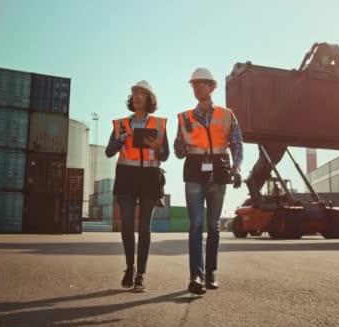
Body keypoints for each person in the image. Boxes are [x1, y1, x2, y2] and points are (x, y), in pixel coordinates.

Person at [174, 68, 244, 295]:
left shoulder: (226, 115)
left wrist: (236, 168)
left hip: (219, 170)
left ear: (212, 87)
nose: (197, 88)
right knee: (195, 225)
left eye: (201, 84)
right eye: (193, 85)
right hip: (194, 170)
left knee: (213, 226)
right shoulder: (185, 117)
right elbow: (178, 150)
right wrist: (179, 147)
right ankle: (196, 275)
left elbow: (237, 144)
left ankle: (211, 272)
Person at [105, 80, 169, 293]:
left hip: (150, 178)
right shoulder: (121, 124)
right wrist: (120, 140)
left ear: (149, 98)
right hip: (126, 177)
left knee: (144, 228)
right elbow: (109, 152)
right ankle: (129, 268)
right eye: (134, 93)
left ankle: (140, 274)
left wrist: (158, 148)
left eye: (142, 93)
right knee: (127, 226)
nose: (137, 96)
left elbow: (166, 155)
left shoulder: (159, 124)